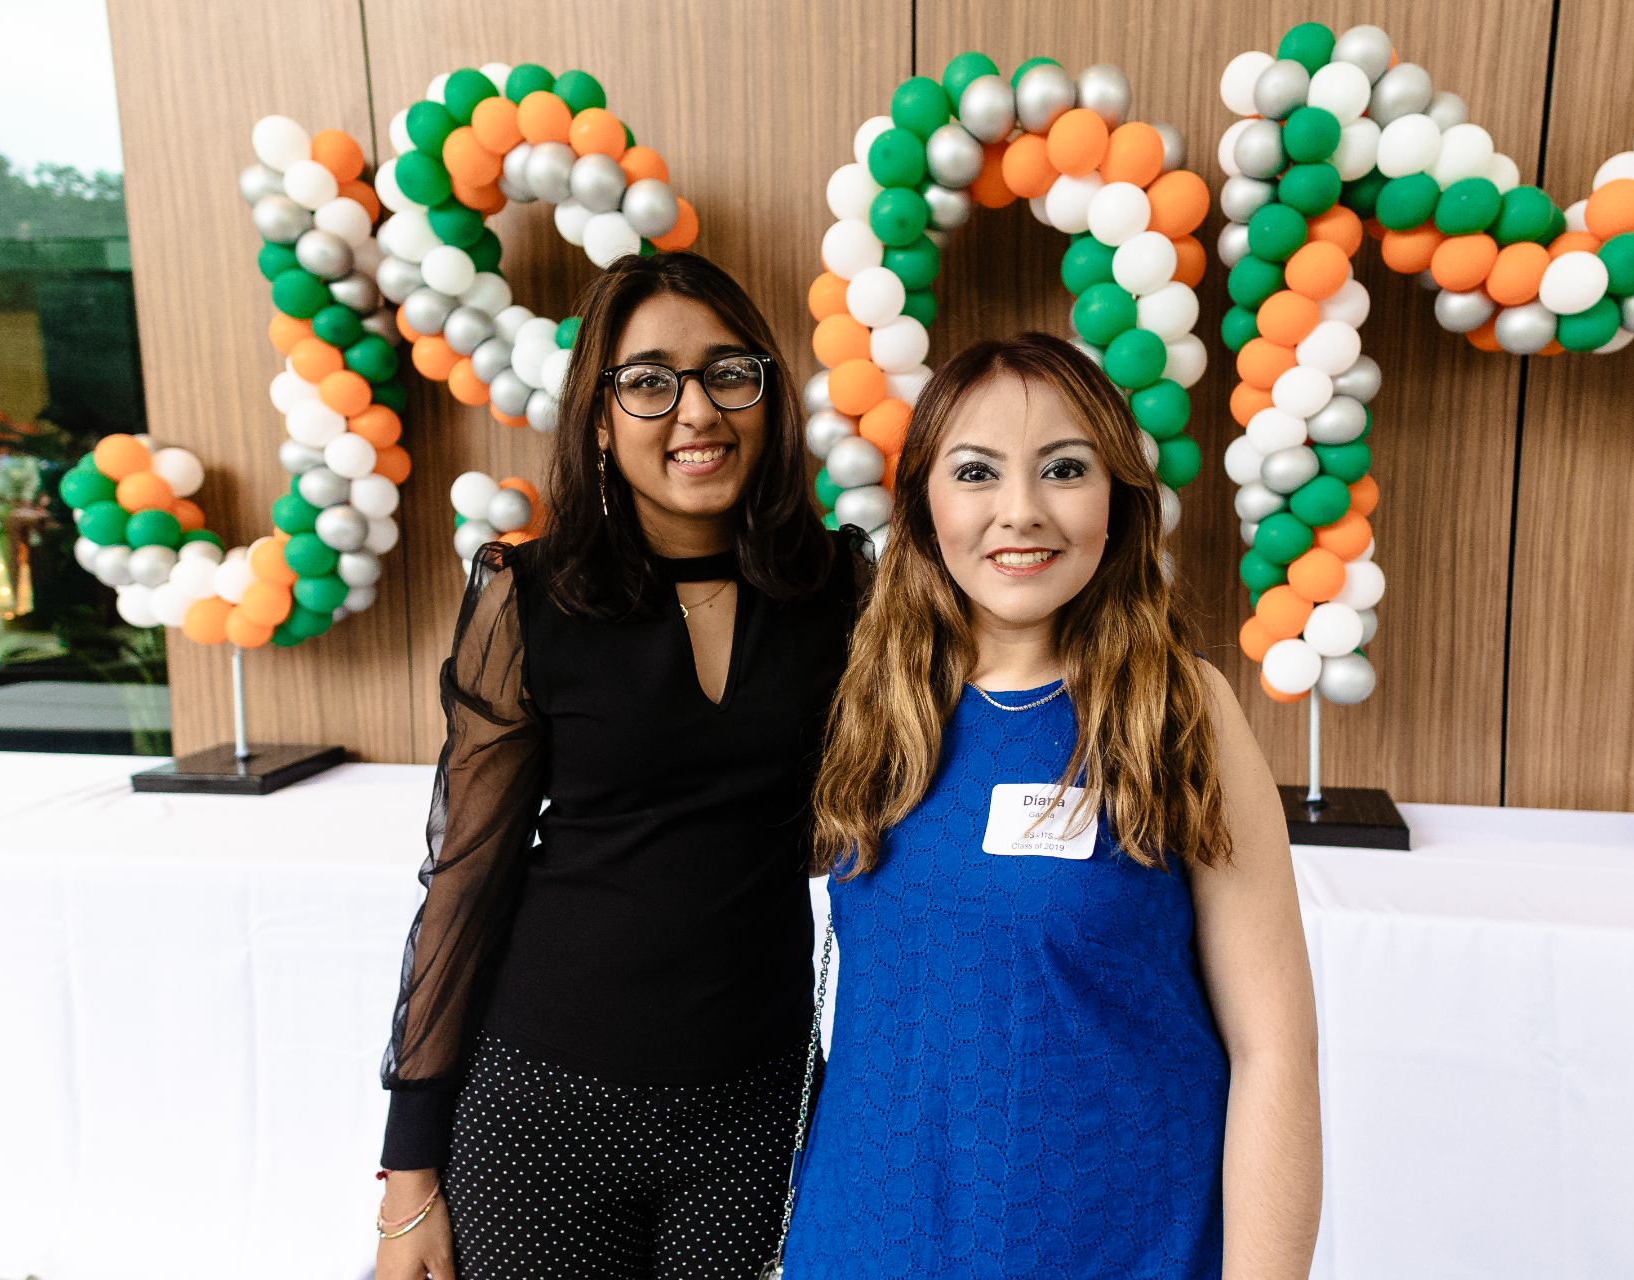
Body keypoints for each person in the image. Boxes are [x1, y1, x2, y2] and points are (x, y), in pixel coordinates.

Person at [783, 332, 1322, 1278]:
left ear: (1116, 497)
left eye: (1064, 469)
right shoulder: (873, 699)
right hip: (867, 1243)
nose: (1020, 513)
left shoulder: (1177, 708)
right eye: (977, 472)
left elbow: (1274, 1054)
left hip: (1117, 1248)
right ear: (923, 506)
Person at [374, 252, 861, 1280]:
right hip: (543, 1102)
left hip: (755, 1104)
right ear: (599, 416)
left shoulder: (840, 590)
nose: (697, 410)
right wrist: (409, 1164)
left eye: (731, 373)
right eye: (650, 381)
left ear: (769, 396)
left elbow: (857, 814)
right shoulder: (529, 592)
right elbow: (466, 870)